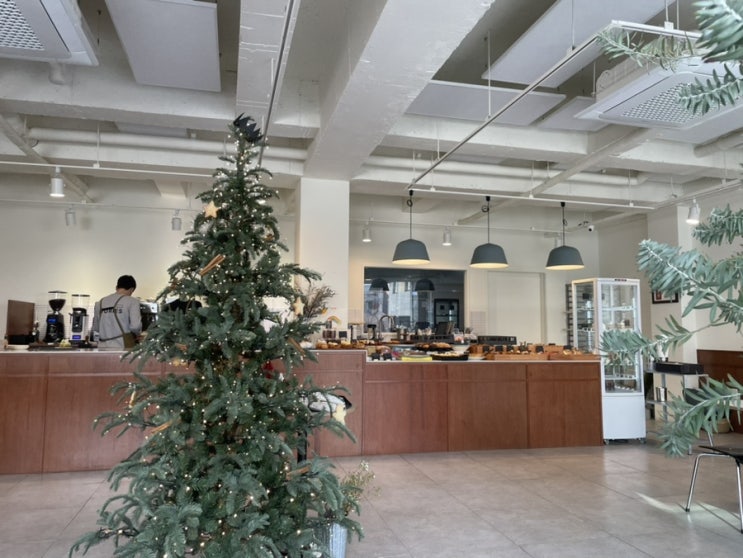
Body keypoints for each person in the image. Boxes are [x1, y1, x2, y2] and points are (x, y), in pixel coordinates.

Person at [92, 275, 142, 350]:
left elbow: (96, 328)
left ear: (117, 287)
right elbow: (135, 326)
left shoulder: (100, 303)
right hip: (122, 347)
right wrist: (138, 334)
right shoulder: (133, 301)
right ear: (131, 289)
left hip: (102, 347)